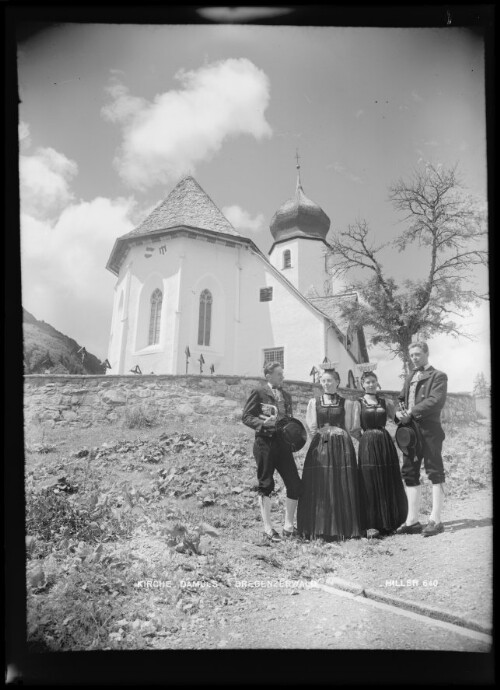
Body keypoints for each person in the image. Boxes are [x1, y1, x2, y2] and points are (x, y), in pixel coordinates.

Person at [297, 368, 363, 541]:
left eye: (330, 381)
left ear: (337, 382)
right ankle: (319, 527)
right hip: (321, 443)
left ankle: (343, 527)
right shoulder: (314, 402)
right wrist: (320, 440)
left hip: (341, 444)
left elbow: (350, 427)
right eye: (323, 381)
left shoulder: (347, 403)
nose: (326, 384)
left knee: (341, 481)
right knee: (321, 481)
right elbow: (312, 427)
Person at [242, 362, 302, 545]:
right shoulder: (259, 392)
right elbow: (246, 416)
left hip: (283, 445)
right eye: (278, 374)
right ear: (268, 376)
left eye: (282, 374)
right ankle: (268, 529)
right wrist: (263, 424)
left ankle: (288, 527)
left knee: (294, 483)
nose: (282, 377)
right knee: (266, 484)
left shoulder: (286, 396)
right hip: (265, 443)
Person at [395, 341, 448, 537]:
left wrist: (411, 411)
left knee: (434, 470)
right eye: (412, 355)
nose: (414, 358)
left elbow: (435, 401)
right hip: (410, 431)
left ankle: (436, 519)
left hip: (429, 430)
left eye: (418, 354)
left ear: (426, 353)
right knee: (409, 471)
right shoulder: (411, 376)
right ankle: (412, 520)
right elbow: (401, 399)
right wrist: (398, 414)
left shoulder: (438, 376)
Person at [351, 371, 408, 538]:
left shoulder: (385, 401)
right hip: (367, 442)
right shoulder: (358, 403)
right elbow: (354, 429)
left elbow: (396, 418)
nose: (370, 384)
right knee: (369, 480)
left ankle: (392, 521)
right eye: (367, 382)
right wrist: (365, 440)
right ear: (362, 384)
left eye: (373, 381)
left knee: (387, 478)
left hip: (385, 442)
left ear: (377, 383)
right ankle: (372, 524)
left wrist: (403, 415)